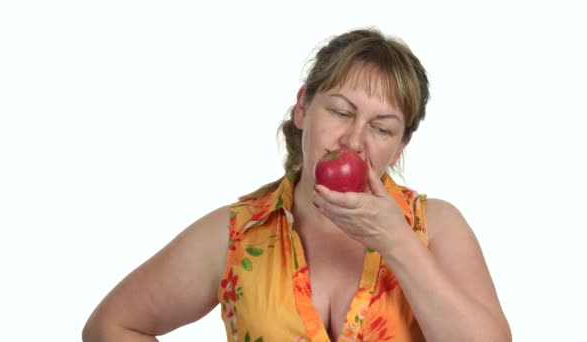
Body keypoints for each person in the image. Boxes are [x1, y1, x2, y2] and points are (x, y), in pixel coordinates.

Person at [82, 28, 511, 341]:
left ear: (399, 147)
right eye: (342, 112)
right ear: (303, 107)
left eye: (381, 128)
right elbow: (110, 326)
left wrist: (397, 243)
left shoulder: (432, 226)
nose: (354, 140)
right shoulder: (238, 234)